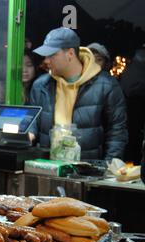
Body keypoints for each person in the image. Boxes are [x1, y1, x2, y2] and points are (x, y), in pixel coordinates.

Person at [29, 27, 128, 160]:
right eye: (46, 55)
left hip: (87, 170)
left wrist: (108, 167)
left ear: (70, 53)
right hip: (47, 167)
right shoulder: (40, 85)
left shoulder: (106, 85)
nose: (46, 60)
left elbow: (117, 131)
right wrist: (28, 134)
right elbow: (33, 123)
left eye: (52, 54)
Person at [120, 47, 145, 164]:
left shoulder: (131, 68)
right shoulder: (134, 69)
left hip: (134, 109)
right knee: (133, 138)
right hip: (133, 108)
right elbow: (129, 89)